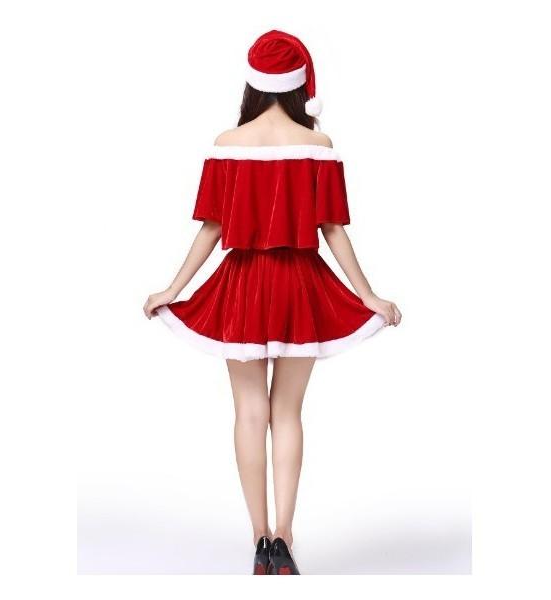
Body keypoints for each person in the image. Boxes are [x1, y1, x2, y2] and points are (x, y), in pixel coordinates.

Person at [143, 29, 402, 575]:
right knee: (287, 412)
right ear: (300, 84)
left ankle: (259, 538)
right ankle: (284, 535)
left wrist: (174, 288)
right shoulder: (318, 145)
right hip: (298, 286)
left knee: (249, 411)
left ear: (253, 83)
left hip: (241, 286)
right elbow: (333, 229)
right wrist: (368, 295)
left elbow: (212, 227)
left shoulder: (228, 142)